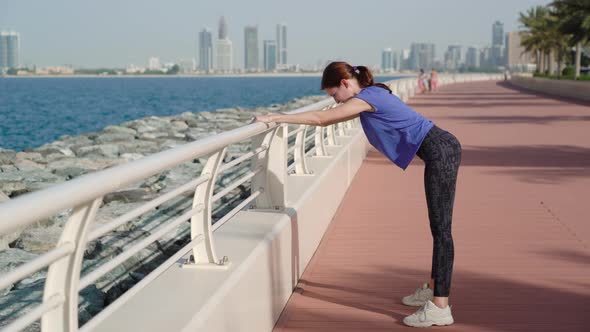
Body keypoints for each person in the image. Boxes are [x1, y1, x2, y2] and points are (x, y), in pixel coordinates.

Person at [254, 62, 461, 328]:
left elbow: (322, 119)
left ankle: (440, 307)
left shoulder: (367, 98)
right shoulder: (371, 94)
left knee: (441, 229)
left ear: (344, 83)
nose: (333, 101)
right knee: (438, 227)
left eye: (332, 94)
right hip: (440, 150)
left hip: (442, 152)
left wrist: (276, 117)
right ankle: (434, 290)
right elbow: (333, 114)